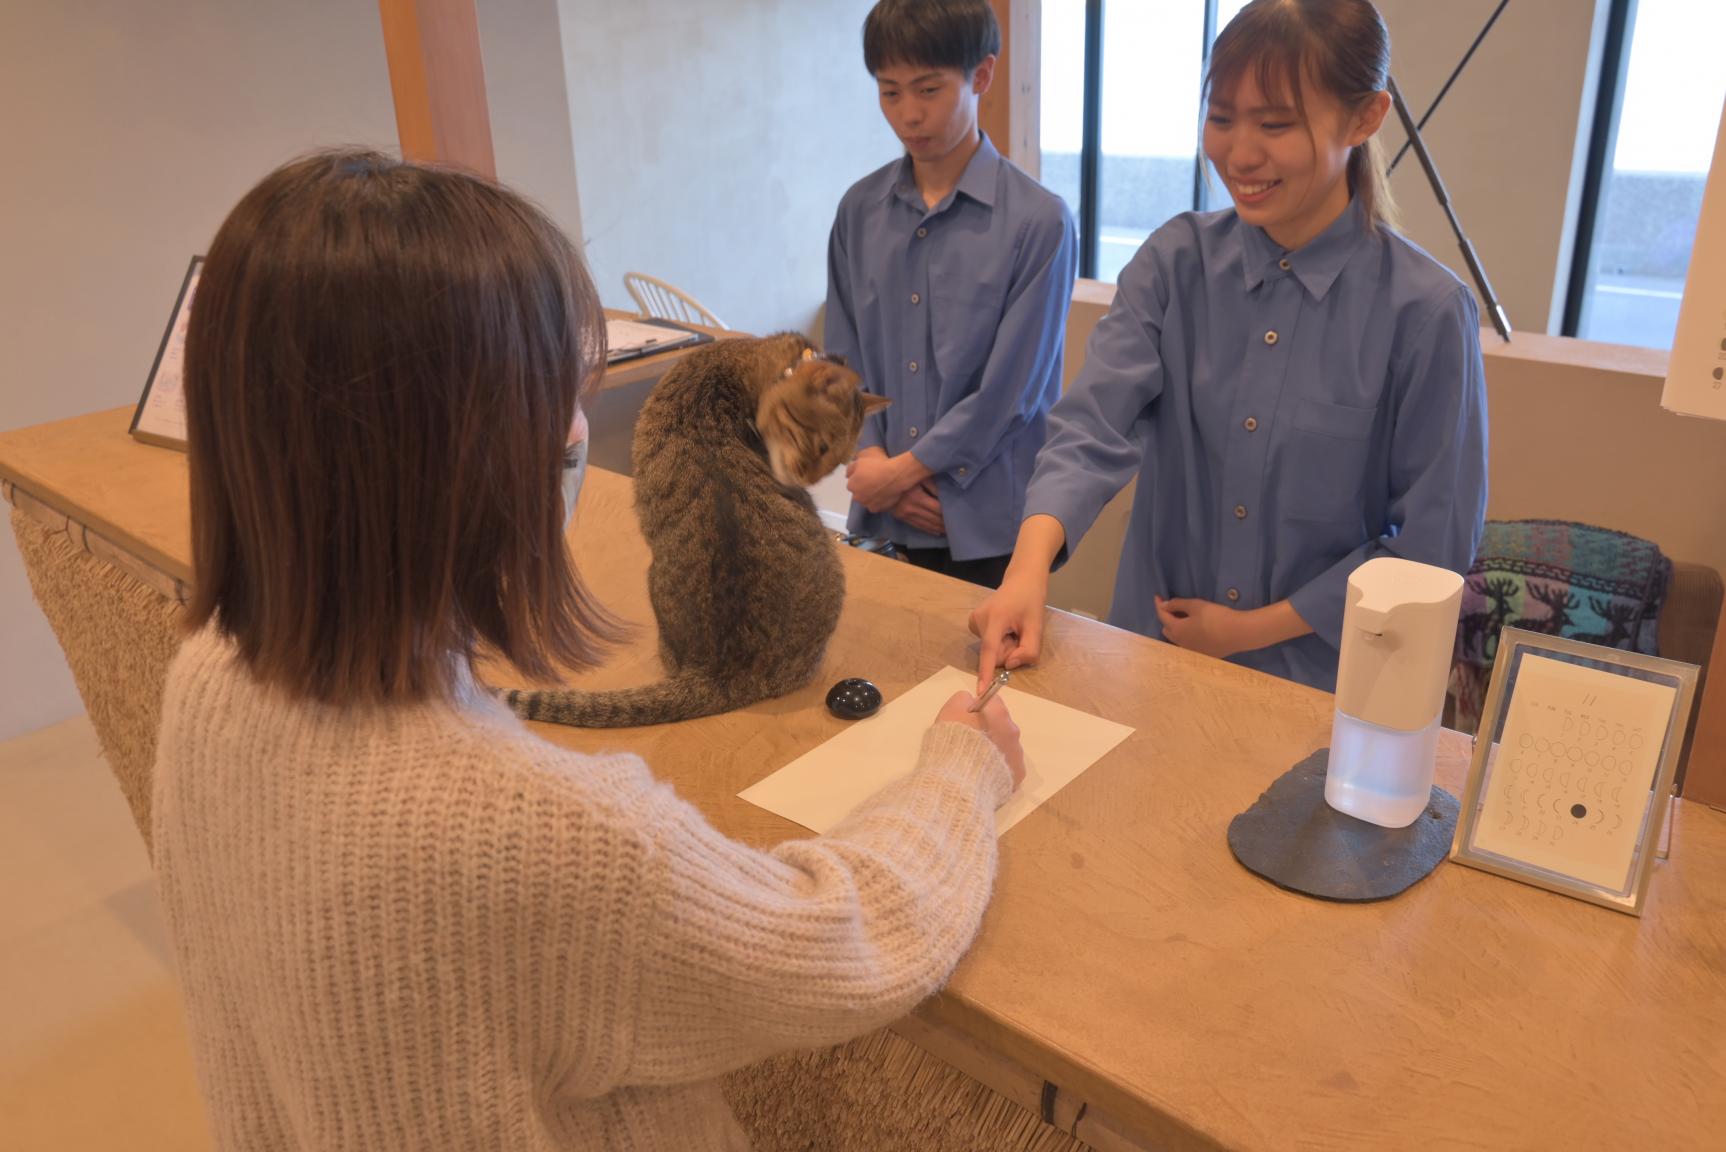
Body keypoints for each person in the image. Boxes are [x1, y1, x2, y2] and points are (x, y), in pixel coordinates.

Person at [153, 149, 1024, 1151]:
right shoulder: (549, 842)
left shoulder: (205, 682)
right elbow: (849, 943)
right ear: (456, 452)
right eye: (551, 397)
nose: (576, 431)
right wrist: (962, 770)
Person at [971, 0, 1488, 693]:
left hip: (1326, 693)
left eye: (1275, 124)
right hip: (1152, 661)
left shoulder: (1424, 311)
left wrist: (1250, 630)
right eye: (1221, 119)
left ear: (1365, 118)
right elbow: (1092, 426)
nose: (1240, 154)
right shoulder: (1173, 264)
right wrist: (1026, 570)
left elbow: (1431, 548)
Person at [825, 0, 1079, 589]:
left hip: (985, 521)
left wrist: (905, 472)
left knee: (985, 678)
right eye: (889, 93)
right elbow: (841, 360)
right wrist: (869, 460)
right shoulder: (858, 210)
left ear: (981, 76)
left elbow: (1010, 394)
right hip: (884, 515)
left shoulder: (1039, 222)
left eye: (928, 90)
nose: (909, 115)